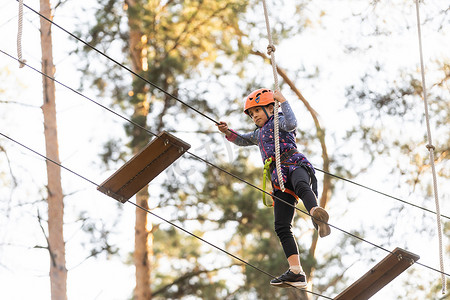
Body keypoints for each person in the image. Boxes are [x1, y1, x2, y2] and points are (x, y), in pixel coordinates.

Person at [216, 88, 330, 288]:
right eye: (251, 114)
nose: (254, 117)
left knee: (302, 185)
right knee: (281, 226)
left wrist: (283, 101)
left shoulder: (279, 122)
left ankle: (315, 212)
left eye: (257, 111)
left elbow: (292, 123)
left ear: (271, 107)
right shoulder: (258, 133)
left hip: (294, 164)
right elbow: (242, 140)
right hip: (279, 181)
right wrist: (227, 132)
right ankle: (296, 272)